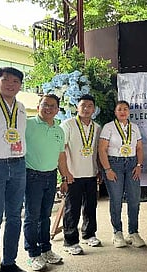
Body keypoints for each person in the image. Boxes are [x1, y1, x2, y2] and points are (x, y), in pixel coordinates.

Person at [23, 94, 69, 271]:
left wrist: (64, 177)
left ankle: (45, 249)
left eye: (52, 106)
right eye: (45, 104)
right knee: (32, 217)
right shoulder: (27, 124)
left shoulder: (59, 130)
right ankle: (32, 254)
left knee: (45, 216)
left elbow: (61, 156)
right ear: (38, 105)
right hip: (32, 176)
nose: (48, 108)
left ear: (57, 110)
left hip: (51, 176)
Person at [0, 67, 30, 272]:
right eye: (6, 80)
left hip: (18, 165)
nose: (10, 84)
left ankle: (8, 263)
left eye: (15, 81)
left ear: (20, 85)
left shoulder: (22, 107)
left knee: (15, 216)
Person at [98, 100, 146, 248]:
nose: (123, 112)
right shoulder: (108, 127)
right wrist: (107, 169)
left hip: (132, 164)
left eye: (125, 109)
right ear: (115, 112)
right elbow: (102, 149)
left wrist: (139, 165)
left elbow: (139, 148)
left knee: (134, 199)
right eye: (119, 109)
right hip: (114, 164)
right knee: (116, 199)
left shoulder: (134, 127)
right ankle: (117, 232)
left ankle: (133, 232)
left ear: (129, 112)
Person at [60, 94, 102, 255]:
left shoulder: (97, 127)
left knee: (91, 207)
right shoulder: (68, 125)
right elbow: (61, 151)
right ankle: (70, 241)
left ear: (94, 109)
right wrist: (65, 173)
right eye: (83, 105)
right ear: (77, 107)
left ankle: (89, 234)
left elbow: (97, 152)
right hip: (73, 175)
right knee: (73, 209)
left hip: (91, 173)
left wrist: (99, 170)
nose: (86, 108)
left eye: (90, 105)